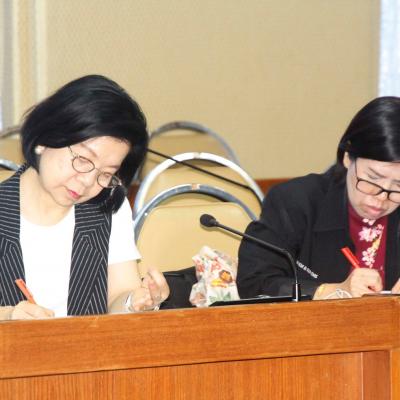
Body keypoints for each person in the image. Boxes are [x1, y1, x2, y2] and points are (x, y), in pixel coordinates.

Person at [0, 74, 169, 320]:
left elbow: (118, 295)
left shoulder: (108, 207)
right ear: (46, 138)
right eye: (83, 160)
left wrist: (134, 302)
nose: (88, 181)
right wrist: (8, 316)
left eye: (106, 174)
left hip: (88, 346)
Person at [237, 96, 400, 300]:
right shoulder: (295, 202)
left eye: (398, 186)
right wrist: (331, 291)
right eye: (372, 179)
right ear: (347, 157)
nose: (381, 198)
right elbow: (254, 283)